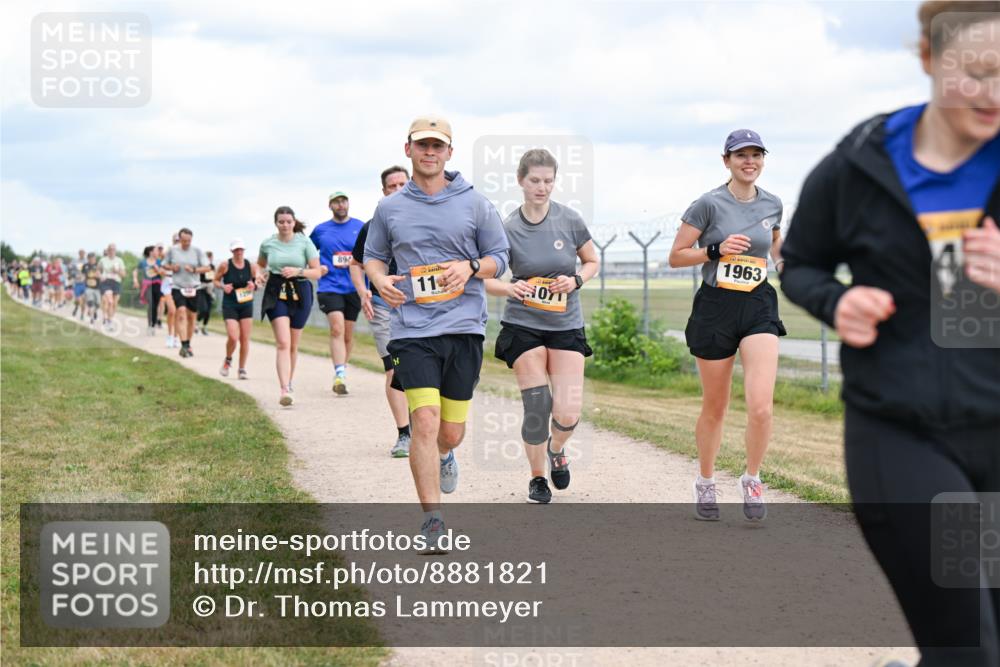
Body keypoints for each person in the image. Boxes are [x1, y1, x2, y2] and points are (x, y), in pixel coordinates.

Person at [780, 3, 1000, 664]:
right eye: (977, 72)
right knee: (968, 648)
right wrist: (837, 301)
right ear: (929, 59)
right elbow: (800, 264)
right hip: (900, 431)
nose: (994, 94)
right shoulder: (859, 163)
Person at [364, 116, 510, 552]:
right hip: (411, 329)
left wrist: (469, 267)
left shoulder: (475, 203)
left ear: (449, 152)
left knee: (450, 432)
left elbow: (500, 257)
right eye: (422, 145)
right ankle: (432, 520)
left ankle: (447, 455)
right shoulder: (389, 208)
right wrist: (379, 280)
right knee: (423, 422)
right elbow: (373, 257)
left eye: (438, 146)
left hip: (464, 325)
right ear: (408, 150)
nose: (430, 152)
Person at [667, 129, 785, 522]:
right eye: (741, 156)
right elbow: (676, 256)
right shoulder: (708, 204)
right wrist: (715, 250)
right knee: (715, 407)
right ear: (726, 161)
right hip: (716, 306)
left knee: (761, 407)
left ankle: (752, 477)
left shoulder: (773, 204)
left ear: (763, 160)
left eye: (756, 155)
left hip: (757, 304)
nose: (749, 161)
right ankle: (705, 480)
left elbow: (776, 249)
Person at [485, 148, 600, 504]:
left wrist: (576, 281)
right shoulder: (507, 228)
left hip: (566, 323)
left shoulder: (569, 219)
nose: (542, 187)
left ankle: (556, 448)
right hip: (523, 323)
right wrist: (510, 287)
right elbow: (485, 278)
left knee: (567, 412)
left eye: (548, 181)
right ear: (520, 181)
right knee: (537, 406)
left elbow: (592, 260)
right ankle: (537, 478)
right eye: (535, 180)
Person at [351, 165, 413, 457]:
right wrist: (363, 290)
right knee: (394, 367)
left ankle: (425, 426)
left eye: (403, 184)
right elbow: (355, 262)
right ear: (384, 191)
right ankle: (404, 433)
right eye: (392, 186)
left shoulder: (428, 221)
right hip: (383, 305)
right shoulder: (372, 226)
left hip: (423, 306)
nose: (398, 190)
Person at [256, 206, 323, 406]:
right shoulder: (268, 243)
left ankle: (289, 381)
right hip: (276, 292)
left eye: (288, 221)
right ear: (276, 223)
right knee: (283, 343)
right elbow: (260, 264)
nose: (285, 225)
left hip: (300, 291)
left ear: (294, 223)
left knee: (293, 344)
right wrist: (259, 274)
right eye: (281, 222)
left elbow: (317, 272)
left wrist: (298, 271)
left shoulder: (304, 242)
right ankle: (284, 388)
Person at [310, 190, 365, 395]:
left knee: (348, 334)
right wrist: (316, 267)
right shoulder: (321, 230)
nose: (340, 205)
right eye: (336, 202)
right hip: (329, 287)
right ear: (330, 206)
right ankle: (339, 372)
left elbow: (371, 251)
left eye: (343, 201)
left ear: (348, 203)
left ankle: (342, 370)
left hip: (354, 287)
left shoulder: (360, 227)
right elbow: (309, 252)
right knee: (337, 328)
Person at [215, 238, 258, 379]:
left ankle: (242, 369)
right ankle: (228, 360)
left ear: (244, 251)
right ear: (232, 251)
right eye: (236, 250)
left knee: (245, 338)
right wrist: (223, 286)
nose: (239, 252)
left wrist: (254, 285)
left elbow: (256, 282)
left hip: (246, 304)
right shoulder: (224, 265)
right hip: (230, 304)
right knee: (233, 337)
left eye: (241, 250)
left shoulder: (250, 266)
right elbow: (215, 280)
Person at [164, 228, 210, 358]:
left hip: (194, 287)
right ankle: (183, 344)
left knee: (191, 317)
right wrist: (172, 267)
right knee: (181, 312)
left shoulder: (197, 251)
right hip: (178, 286)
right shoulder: (173, 251)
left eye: (188, 241)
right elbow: (164, 265)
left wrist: (194, 269)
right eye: (184, 241)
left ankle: (187, 344)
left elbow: (207, 267)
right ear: (179, 239)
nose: (186, 243)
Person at [133, 245, 162, 335]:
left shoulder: (158, 261)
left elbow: (162, 273)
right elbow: (136, 270)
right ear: (151, 252)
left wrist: (157, 269)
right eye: (156, 251)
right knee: (151, 305)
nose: (157, 252)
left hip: (157, 284)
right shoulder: (143, 262)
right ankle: (150, 325)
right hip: (147, 285)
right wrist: (135, 280)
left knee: (156, 305)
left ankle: (153, 325)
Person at [98, 244, 126, 328]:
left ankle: (110, 319)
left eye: (113, 249)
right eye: (110, 249)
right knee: (109, 301)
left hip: (116, 282)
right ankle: (107, 320)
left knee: (114, 303)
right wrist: (100, 276)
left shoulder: (119, 260)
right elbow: (98, 271)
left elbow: (123, 274)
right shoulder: (102, 260)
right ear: (107, 250)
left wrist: (117, 271)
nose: (111, 251)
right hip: (106, 282)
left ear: (115, 251)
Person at [197, 250, 216, 335]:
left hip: (209, 289)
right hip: (201, 288)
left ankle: (204, 327)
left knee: (208, 310)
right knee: (203, 309)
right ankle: (196, 323)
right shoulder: (201, 266)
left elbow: (211, 278)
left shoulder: (212, 266)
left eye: (210, 258)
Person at [81, 252, 100, 323]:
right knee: (91, 302)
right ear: (88, 259)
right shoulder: (85, 266)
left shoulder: (99, 265)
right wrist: (81, 279)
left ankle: (93, 312)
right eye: (90, 258)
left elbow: (102, 275)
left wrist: (99, 276)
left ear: (95, 258)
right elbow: (83, 275)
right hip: (88, 287)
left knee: (98, 304)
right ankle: (92, 318)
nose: (91, 260)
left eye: (93, 258)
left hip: (97, 287)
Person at [70, 249, 87, 320]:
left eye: (83, 253)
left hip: (85, 283)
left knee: (84, 300)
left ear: (85, 254)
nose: (82, 254)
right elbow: (70, 270)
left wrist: (85, 276)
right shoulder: (74, 261)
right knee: (77, 299)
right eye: (80, 253)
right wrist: (74, 275)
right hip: (77, 283)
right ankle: (76, 307)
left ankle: (82, 314)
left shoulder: (87, 262)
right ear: (79, 254)